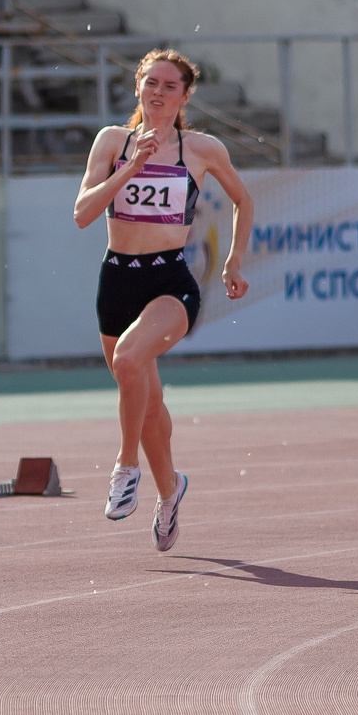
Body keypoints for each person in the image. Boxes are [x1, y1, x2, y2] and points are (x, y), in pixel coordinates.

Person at [71, 49, 252, 554]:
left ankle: (126, 467)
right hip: (117, 280)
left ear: (185, 96)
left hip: (170, 282)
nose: (158, 91)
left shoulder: (201, 148)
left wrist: (234, 261)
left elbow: (244, 199)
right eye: (151, 82)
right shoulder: (112, 141)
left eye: (170, 85)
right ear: (137, 88)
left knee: (130, 360)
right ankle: (170, 493)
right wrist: (130, 167)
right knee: (148, 404)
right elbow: (83, 214)